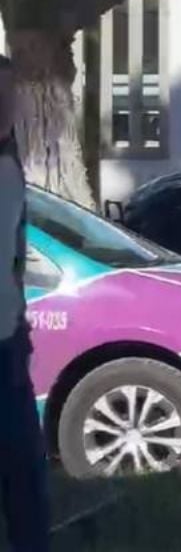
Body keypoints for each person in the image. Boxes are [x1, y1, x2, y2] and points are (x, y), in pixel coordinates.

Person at [0, 55, 51, 552]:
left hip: (7, 346)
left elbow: (14, 254)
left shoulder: (11, 167)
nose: (3, 107)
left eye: (9, 97)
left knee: (27, 478)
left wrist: (21, 324)